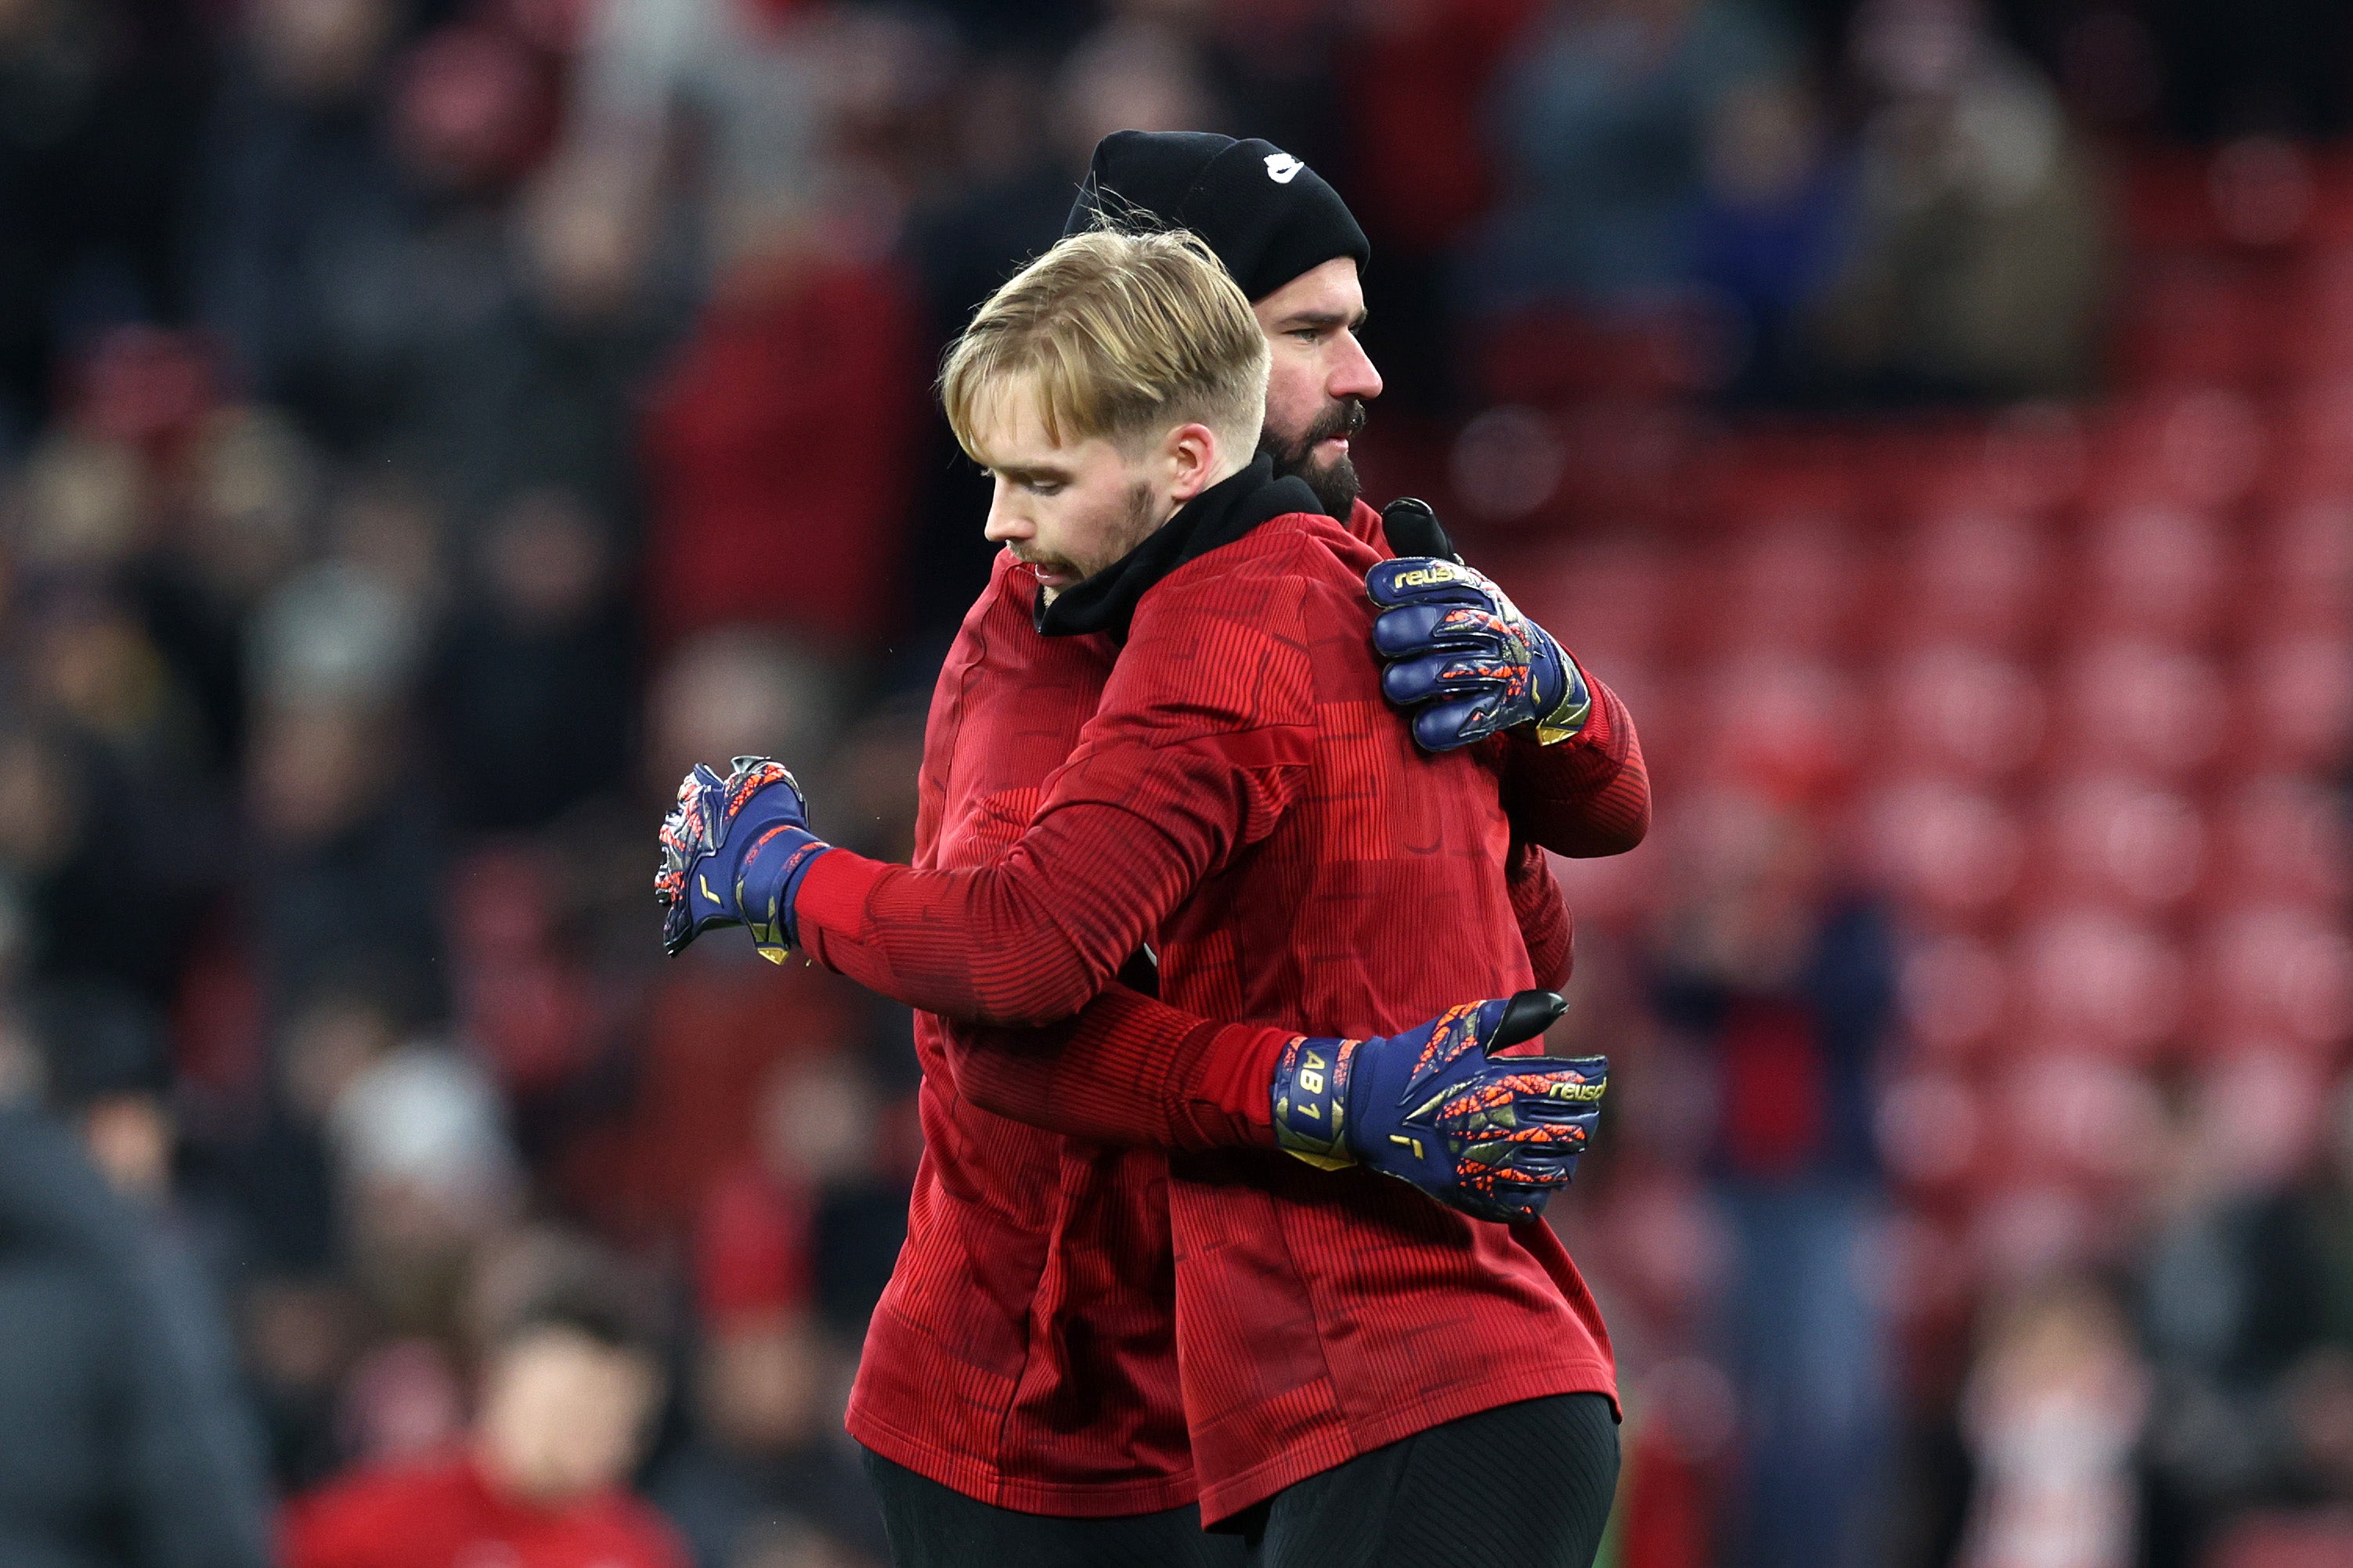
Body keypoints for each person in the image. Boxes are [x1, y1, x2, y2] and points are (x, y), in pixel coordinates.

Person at [658, 219, 1627, 1566]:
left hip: (1270, 1396)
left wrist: (781, 879)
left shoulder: (1222, 623)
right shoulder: (1392, 592)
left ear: (1188, 447)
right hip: (1329, 1396)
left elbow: (1014, 978)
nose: (1000, 525)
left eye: (1034, 479)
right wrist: (1565, 717)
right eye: (1302, 332)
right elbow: (1541, 926)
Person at [0, 999, 275, 1568]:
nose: (147, 1146)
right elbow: (205, 1524)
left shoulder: (185, 1244)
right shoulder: (124, 1280)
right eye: (122, 1120)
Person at [280, 1288, 687, 1568]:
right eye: (562, 1407)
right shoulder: (368, 1527)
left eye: (608, 1417)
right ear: (498, 1386)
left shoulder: (641, 1548)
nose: (579, 1433)